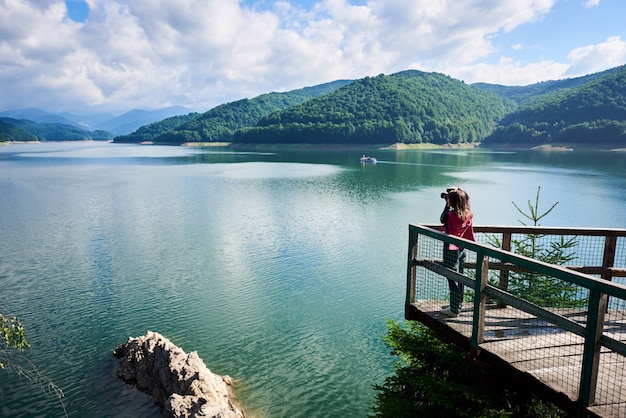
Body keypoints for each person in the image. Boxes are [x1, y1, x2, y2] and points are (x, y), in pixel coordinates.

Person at [439, 187, 475, 318]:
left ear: (452, 202)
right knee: (460, 276)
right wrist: (457, 193)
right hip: (462, 247)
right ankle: (457, 304)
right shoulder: (468, 214)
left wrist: (447, 205)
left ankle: (454, 310)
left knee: (452, 278)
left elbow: (442, 219)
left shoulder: (450, 215)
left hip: (450, 249)